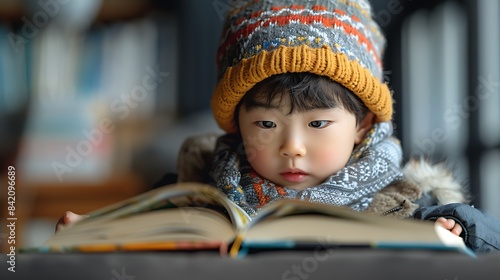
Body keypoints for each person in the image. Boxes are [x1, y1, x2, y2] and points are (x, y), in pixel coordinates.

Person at [58, 0, 500, 253]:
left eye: (319, 123)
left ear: (363, 123)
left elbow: (488, 247)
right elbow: (137, 241)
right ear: (236, 124)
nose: (293, 147)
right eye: (267, 123)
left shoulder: (404, 201)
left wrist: (458, 230)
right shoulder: (193, 192)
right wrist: (94, 232)